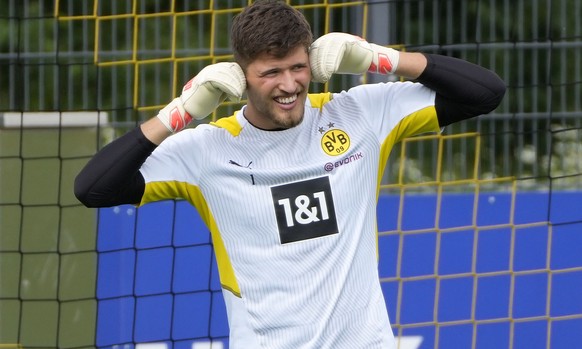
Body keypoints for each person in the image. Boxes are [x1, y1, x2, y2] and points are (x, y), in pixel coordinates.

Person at [75, 0, 506, 348]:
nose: (289, 85)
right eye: (271, 73)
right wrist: (180, 112)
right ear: (242, 77)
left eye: (298, 67)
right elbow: (93, 189)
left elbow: (485, 93)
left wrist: (378, 57)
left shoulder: (359, 113)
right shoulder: (205, 149)